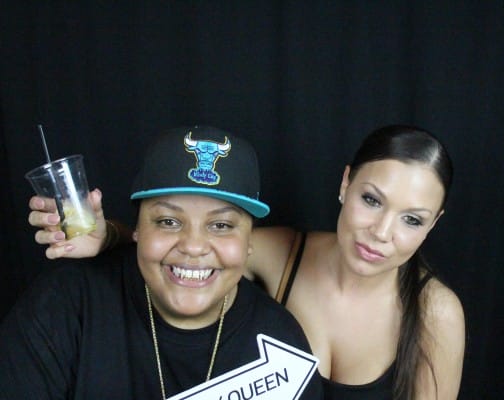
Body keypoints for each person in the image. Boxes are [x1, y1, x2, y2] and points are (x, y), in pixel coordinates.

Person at [28, 124, 465, 399]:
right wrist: (107, 235)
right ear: (345, 183)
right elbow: (193, 243)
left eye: (412, 219)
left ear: (434, 224)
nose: (382, 232)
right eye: (371, 200)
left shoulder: (436, 313)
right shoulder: (284, 253)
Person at [2, 126, 323, 399]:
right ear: (137, 230)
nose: (193, 247)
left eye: (221, 225)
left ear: (250, 241)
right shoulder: (65, 305)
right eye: (168, 221)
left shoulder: (281, 344)